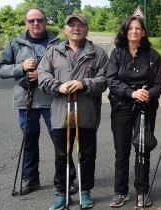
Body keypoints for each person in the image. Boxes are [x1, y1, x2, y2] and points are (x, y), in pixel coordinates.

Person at [0, 7, 77, 195]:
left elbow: (67, 68)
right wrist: (21, 67)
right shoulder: (15, 44)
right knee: (29, 141)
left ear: (45, 21)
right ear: (26, 22)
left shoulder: (58, 43)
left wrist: (41, 75)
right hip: (26, 100)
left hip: (53, 100)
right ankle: (31, 178)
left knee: (60, 141)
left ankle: (68, 178)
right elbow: (1, 69)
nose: (36, 24)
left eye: (39, 20)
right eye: (31, 20)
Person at [37, 14, 108, 210]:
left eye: (80, 25)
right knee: (62, 155)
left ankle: (85, 191)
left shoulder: (98, 53)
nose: (76, 29)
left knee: (86, 154)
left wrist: (83, 83)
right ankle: (62, 192)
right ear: (65, 29)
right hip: (61, 113)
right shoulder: (53, 52)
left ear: (86, 29)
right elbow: (42, 75)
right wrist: (57, 86)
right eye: (72, 25)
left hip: (86, 113)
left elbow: (104, 80)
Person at [106, 16, 161, 208]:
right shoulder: (116, 54)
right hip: (121, 107)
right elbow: (112, 81)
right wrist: (131, 93)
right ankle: (120, 192)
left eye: (138, 28)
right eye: (130, 28)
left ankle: (142, 191)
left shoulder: (153, 55)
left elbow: (159, 84)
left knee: (142, 149)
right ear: (125, 31)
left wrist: (149, 94)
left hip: (145, 108)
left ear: (143, 33)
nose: (134, 31)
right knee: (121, 151)